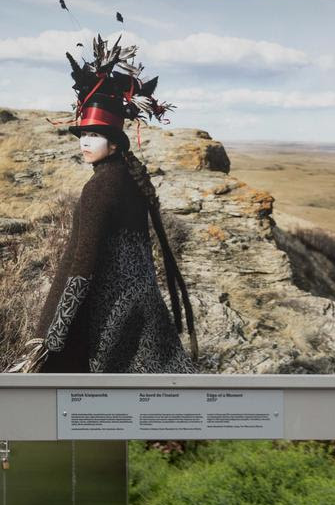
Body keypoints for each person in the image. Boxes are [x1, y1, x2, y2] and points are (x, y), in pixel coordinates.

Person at [15, 36, 198, 374]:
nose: (85, 141)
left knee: (108, 406)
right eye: (82, 134)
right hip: (141, 305)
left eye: (95, 135)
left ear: (114, 144)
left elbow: (82, 265)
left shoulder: (100, 187)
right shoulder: (127, 178)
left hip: (112, 314)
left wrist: (54, 337)